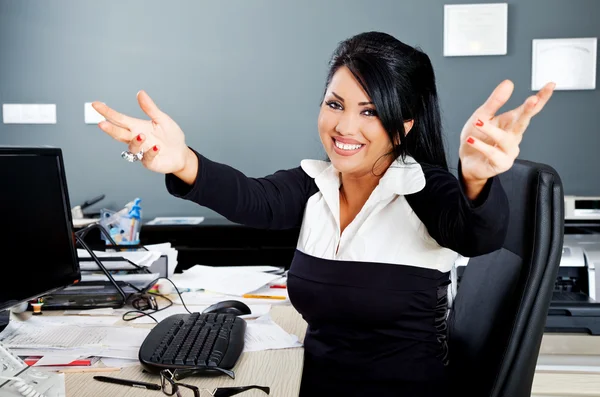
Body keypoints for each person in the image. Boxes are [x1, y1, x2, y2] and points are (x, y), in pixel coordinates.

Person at [92, 31, 554, 397]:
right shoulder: (314, 183)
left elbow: (477, 236)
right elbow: (251, 198)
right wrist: (182, 161)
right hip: (310, 385)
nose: (345, 127)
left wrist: (476, 179)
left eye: (370, 111)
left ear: (405, 123)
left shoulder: (423, 187)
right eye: (335, 104)